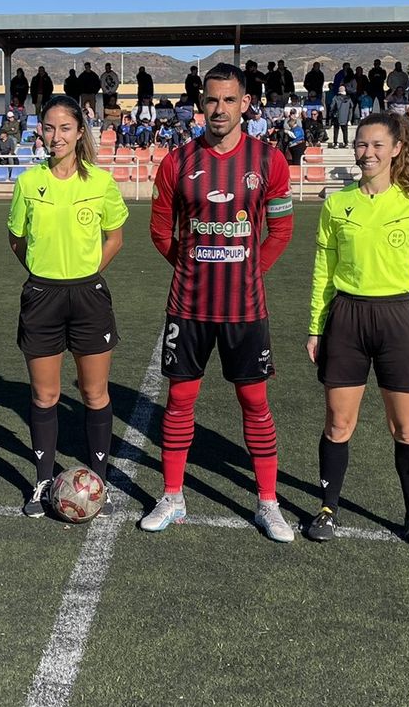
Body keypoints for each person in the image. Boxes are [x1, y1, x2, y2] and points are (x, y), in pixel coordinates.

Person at [140, 63, 297, 543]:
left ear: (245, 103)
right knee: (179, 400)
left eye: (230, 99)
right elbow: (160, 231)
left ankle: (267, 503)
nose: (220, 108)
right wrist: (193, 268)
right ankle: (172, 496)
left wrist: (247, 271)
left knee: (255, 401)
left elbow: (281, 231)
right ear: (200, 104)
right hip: (188, 306)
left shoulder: (269, 160)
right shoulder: (177, 161)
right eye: (212, 100)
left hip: (244, 308)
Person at [304, 111, 409, 550]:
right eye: (361, 144)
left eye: (377, 145)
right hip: (346, 319)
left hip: (397, 320)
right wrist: (316, 327)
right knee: (338, 423)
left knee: (405, 427)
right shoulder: (337, 204)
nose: (367, 153)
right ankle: (328, 508)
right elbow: (323, 271)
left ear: (396, 149)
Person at [7, 95, 129, 516]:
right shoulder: (28, 183)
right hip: (41, 296)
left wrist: (86, 273)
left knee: (94, 393)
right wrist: (43, 274)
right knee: (45, 396)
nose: (55, 136)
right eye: (48, 127)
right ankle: (43, 482)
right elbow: (17, 240)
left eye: (64, 128)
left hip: (88, 296)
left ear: (79, 132)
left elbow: (115, 238)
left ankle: (99, 483)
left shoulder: (101, 183)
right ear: (40, 131)